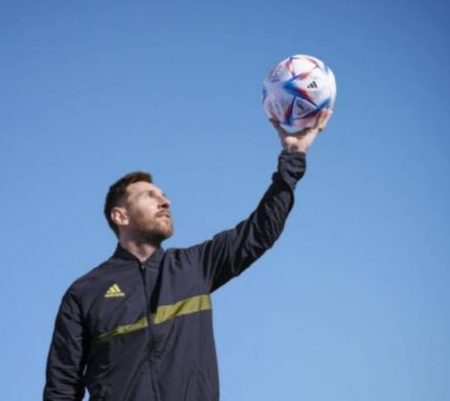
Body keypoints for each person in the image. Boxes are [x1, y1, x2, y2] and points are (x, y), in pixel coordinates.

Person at [43, 112, 332, 401]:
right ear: (120, 216)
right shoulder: (85, 293)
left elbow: (260, 231)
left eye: (163, 195)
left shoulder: (194, 266)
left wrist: (293, 156)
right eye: (149, 196)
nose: (165, 202)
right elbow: (61, 387)